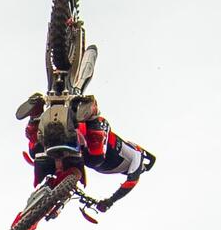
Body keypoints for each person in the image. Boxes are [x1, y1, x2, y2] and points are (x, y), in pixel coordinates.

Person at [16, 91, 155, 214]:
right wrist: (110, 201)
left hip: (81, 142)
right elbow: (131, 182)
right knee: (95, 158)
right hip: (96, 134)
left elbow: (71, 177)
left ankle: (36, 115)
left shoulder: (120, 159)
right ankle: (92, 111)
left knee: (37, 152)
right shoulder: (137, 155)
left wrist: (58, 203)